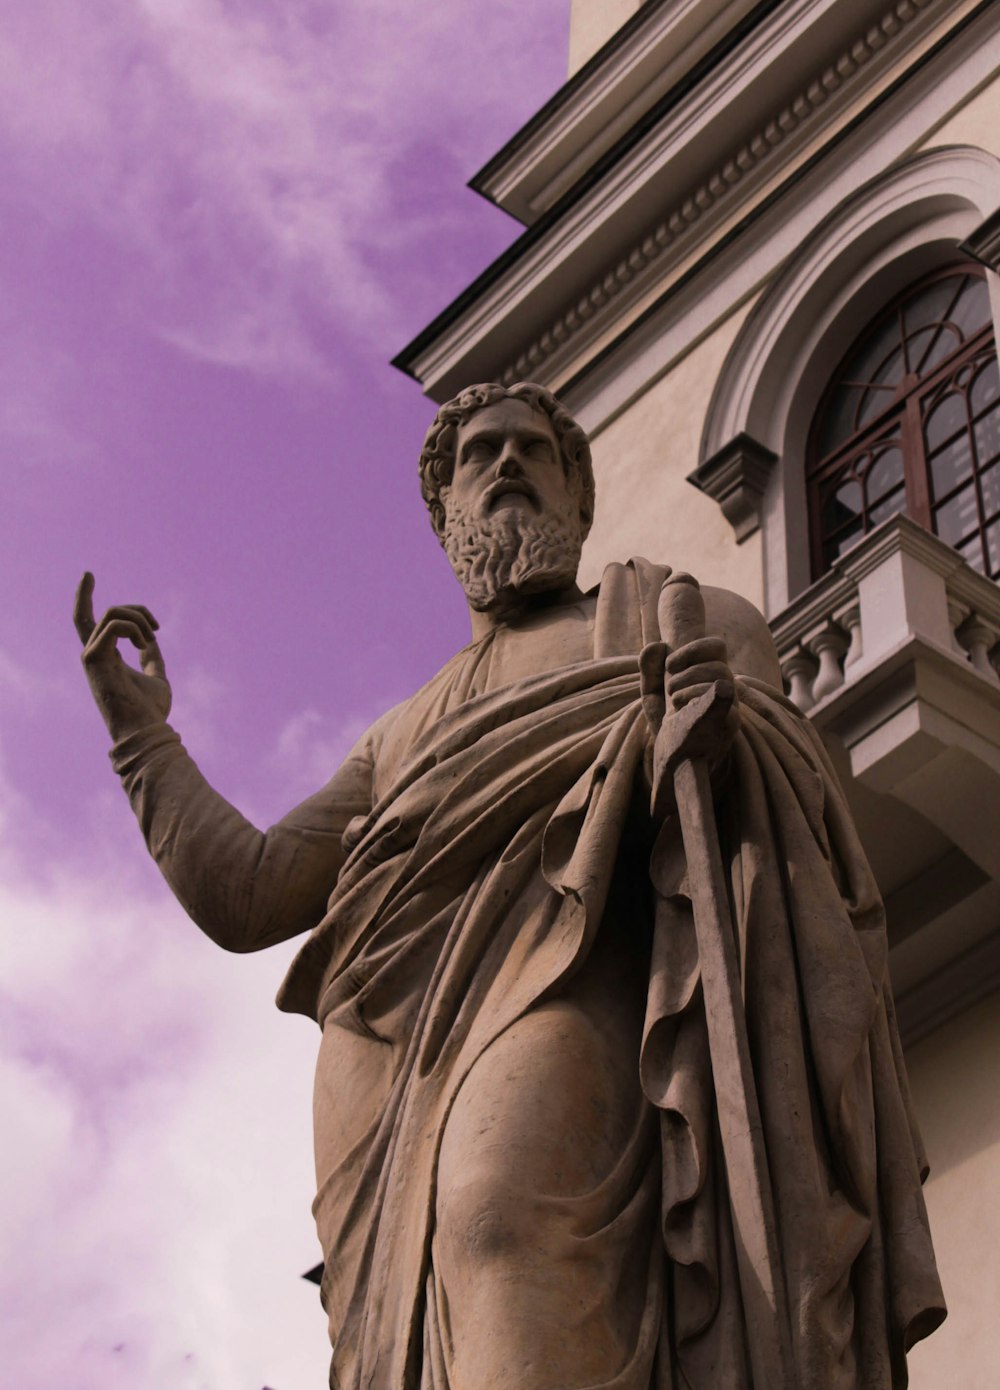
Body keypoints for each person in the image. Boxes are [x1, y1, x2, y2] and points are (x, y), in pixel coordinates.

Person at [75, 381, 944, 1390]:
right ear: (446, 517)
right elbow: (251, 893)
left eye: (532, 448)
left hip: (568, 958)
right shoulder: (399, 732)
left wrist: (715, 735)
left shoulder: (668, 611)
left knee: (500, 1210)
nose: (505, 465)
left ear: (578, 501)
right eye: (478, 455)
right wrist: (142, 734)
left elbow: (798, 783)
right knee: (436, 1290)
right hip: (381, 1059)